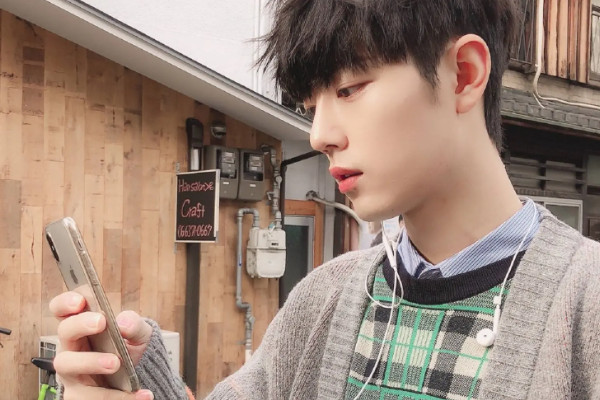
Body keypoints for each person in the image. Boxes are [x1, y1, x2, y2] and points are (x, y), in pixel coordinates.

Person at [50, 1, 600, 399]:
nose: (319, 135)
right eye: (311, 105)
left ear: (463, 74)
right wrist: (138, 377)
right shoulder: (322, 300)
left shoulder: (585, 305)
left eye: (348, 89)